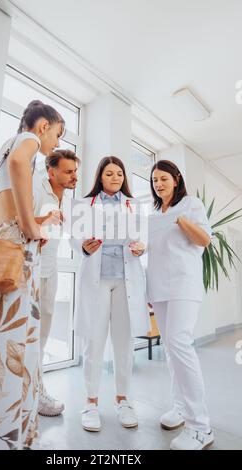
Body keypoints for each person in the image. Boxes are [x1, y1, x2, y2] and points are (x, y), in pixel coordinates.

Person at [0, 100, 64, 450]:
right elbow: (22, 162)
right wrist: (30, 226)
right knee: (14, 356)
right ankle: (6, 442)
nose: (55, 144)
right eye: (58, 134)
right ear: (44, 126)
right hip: (15, 258)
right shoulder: (25, 142)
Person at [71, 156, 150, 432]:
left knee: (123, 343)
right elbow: (75, 237)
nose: (115, 177)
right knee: (94, 341)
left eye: (119, 173)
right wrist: (84, 246)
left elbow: (142, 238)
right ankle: (90, 403)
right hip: (98, 278)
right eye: (109, 173)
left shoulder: (134, 204)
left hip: (126, 280)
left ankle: (123, 400)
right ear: (100, 177)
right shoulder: (84, 203)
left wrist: (141, 247)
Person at [146, 159, 214, 450]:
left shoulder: (191, 205)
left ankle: (200, 427)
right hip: (159, 287)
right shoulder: (152, 213)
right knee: (171, 349)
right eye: (154, 180)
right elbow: (154, 252)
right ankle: (180, 407)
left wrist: (179, 220)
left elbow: (205, 240)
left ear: (176, 179)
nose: (158, 184)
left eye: (163, 178)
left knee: (180, 344)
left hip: (183, 285)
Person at [35, 149, 80, 417]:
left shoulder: (68, 199)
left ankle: (34, 391)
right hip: (30, 270)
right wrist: (42, 223)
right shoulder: (38, 190)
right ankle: (34, 394)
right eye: (68, 171)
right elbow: (18, 222)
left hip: (50, 271)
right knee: (29, 336)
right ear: (51, 172)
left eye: (75, 170)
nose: (74, 176)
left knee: (42, 336)